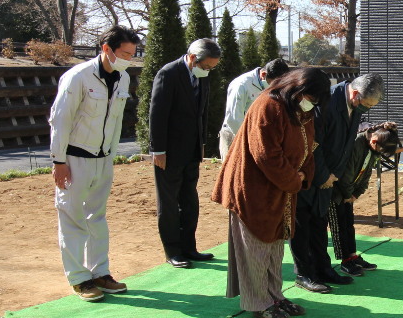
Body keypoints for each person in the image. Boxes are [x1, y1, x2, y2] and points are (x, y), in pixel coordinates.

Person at [211, 67, 331, 318]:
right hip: (253, 189)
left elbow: (310, 147)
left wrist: (302, 177)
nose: (313, 104)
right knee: (255, 246)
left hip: (281, 188)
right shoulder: (268, 106)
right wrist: (293, 180)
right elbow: (266, 155)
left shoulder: (300, 111)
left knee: (275, 246)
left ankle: (275, 295)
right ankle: (258, 302)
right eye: (312, 98)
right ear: (298, 89)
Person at [49, 26, 140, 302]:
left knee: (97, 219)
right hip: (75, 159)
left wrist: (110, 156)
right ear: (106, 49)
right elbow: (60, 120)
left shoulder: (122, 77)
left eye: (132, 54)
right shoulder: (77, 77)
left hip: (103, 160)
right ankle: (79, 278)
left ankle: (100, 272)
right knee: (73, 218)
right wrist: (59, 161)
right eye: (124, 53)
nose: (128, 59)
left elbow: (114, 121)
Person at [292, 73, 385, 293]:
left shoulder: (353, 103)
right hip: (310, 175)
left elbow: (346, 145)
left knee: (319, 225)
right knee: (302, 226)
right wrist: (323, 175)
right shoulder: (326, 101)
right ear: (354, 94)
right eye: (365, 104)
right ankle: (304, 274)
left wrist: (336, 177)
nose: (366, 110)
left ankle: (324, 269)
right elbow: (314, 143)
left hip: (331, 178)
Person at [149, 38, 222, 269]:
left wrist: (201, 143)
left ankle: (189, 247)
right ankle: (172, 250)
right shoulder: (168, 74)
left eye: (212, 68)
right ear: (192, 58)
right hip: (169, 151)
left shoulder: (202, 77)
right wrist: (158, 149)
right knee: (169, 201)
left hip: (191, 149)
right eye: (206, 66)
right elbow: (157, 114)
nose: (208, 71)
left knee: (189, 199)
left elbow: (202, 112)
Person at [328, 121, 401, 271]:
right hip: (335, 193)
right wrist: (348, 194)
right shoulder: (356, 143)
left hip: (348, 193)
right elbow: (346, 173)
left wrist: (356, 193)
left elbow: (367, 173)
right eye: (380, 150)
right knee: (339, 226)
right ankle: (345, 260)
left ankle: (352, 255)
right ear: (374, 141)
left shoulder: (373, 148)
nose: (380, 154)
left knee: (349, 224)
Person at [218, 58, 290, 159]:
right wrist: (247, 142)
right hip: (235, 134)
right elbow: (234, 119)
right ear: (263, 74)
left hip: (255, 136)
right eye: (272, 83)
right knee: (233, 172)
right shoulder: (241, 85)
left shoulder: (275, 85)